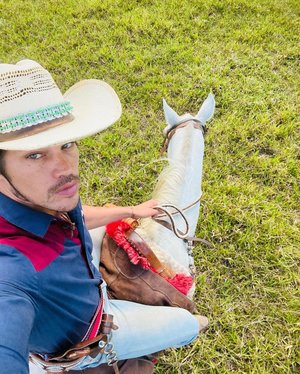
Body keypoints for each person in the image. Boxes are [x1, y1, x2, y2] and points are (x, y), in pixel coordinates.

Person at [0, 59, 208, 374]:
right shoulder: (10, 277)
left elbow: (77, 215)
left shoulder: (45, 191)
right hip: (87, 334)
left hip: (82, 286)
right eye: (34, 154)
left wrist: (131, 211)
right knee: (186, 324)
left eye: (66, 144)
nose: (65, 169)